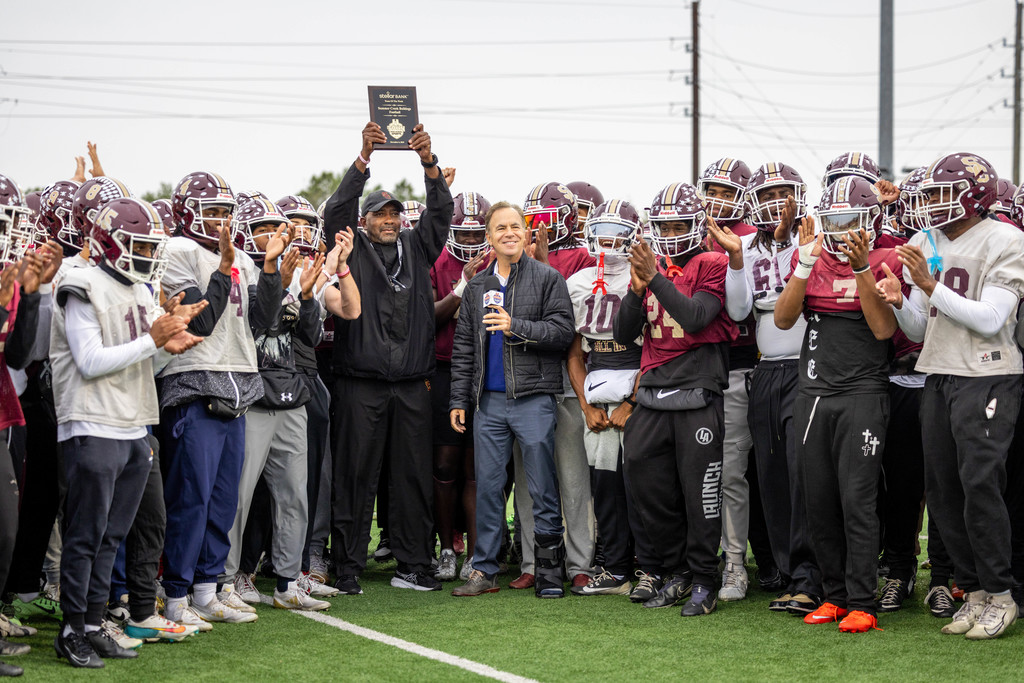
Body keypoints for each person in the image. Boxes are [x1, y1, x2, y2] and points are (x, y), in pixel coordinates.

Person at [50, 197, 205, 667]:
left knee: (112, 536)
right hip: (92, 421)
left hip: (134, 423)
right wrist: (152, 340)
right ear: (107, 241)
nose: (146, 254)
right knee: (86, 535)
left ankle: (94, 625)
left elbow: (141, 358)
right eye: (137, 244)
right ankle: (72, 629)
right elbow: (91, 361)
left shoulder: (140, 290)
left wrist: (166, 348)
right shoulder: (80, 283)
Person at [879, 153, 1024, 639]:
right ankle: (974, 590)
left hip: (987, 376)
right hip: (937, 374)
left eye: (944, 192)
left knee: (981, 485)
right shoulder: (925, 241)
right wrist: (901, 302)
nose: (933, 203)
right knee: (943, 490)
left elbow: (990, 319)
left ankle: (1002, 593)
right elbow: (923, 326)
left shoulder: (1006, 239)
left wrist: (927, 283)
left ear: (976, 193)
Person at [322, 120, 454, 595]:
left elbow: (442, 211)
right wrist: (363, 159)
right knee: (355, 477)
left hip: (413, 385)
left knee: (412, 479)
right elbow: (337, 208)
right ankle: (348, 567)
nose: (390, 220)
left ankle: (414, 565)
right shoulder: (350, 248)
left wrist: (428, 164)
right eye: (381, 214)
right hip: (360, 384)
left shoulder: (418, 249)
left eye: (396, 214)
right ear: (366, 220)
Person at [774, 176, 901, 634]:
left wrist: (863, 269)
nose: (843, 228)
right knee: (819, 501)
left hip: (862, 393)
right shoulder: (813, 258)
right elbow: (785, 319)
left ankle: (863, 599)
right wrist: (804, 265)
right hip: (813, 393)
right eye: (834, 220)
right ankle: (834, 595)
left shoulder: (885, 258)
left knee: (857, 499)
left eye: (851, 219)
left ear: (871, 220)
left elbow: (884, 330)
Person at [159, 171, 285, 628]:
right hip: (195, 382)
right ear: (187, 213)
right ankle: (175, 594)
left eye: (226, 213)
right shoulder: (176, 252)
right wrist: (222, 268)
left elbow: (266, 322)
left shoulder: (245, 262)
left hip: (238, 382)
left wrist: (268, 269)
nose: (220, 222)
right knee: (190, 497)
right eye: (211, 212)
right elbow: (200, 323)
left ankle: (208, 588)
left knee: (222, 499)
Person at [613, 183, 737, 617]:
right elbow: (622, 334)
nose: (669, 232)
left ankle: (705, 576)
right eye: (662, 224)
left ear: (695, 225)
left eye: (678, 223)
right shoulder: (652, 269)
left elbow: (698, 317)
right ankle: (676, 569)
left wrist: (656, 280)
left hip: (698, 389)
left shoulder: (712, 262)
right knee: (647, 485)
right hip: (652, 390)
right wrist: (634, 290)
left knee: (699, 494)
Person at [221, 196, 343, 612]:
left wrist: (307, 295)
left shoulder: (289, 270)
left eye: (275, 228)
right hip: (253, 397)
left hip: (290, 394)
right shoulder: (237, 269)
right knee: (239, 498)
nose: (270, 235)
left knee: (294, 495)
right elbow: (261, 317)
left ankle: (289, 581)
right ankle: (223, 582)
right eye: (259, 228)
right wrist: (273, 272)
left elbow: (307, 336)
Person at [449, 201, 575, 598]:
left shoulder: (548, 278)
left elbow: (562, 332)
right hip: (488, 402)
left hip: (534, 398)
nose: (508, 233)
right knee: (487, 487)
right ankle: (484, 570)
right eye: (499, 228)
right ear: (488, 237)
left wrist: (513, 325)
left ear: (525, 232)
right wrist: (458, 399)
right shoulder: (477, 286)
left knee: (541, 485)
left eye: (514, 227)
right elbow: (465, 347)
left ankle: (549, 570)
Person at [565, 199, 658, 598]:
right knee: (604, 485)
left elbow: (660, 348)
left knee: (643, 484)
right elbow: (573, 352)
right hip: (597, 388)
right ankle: (615, 566)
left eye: (619, 233)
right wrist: (586, 406)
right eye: (602, 230)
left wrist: (632, 402)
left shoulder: (649, 278)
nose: (608, 240)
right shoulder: (577, 282)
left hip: (639, 385)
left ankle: (652, 566)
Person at [511, 182, 595, 591]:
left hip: (566, 379)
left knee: (573, 477)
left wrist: (542, 270)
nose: (537, 228)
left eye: (545, 219)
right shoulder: (510, 257)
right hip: (527, 381)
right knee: (529, 481)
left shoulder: (584, 256)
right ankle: (532, 560)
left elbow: (570, 325)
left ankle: (580, 561)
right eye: (532, 221)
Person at [697, 157, 760, 602]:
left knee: (735, 473)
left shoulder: (755, 238)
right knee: (710, 472)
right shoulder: (688, 233)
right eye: (711, 190)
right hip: (702, 368)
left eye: (725, 191)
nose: (717, 199)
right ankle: (711, 557)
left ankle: (736, 562)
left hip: (745, 364)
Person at [431, 191, 491, 581]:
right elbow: (426, 321)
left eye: (475, 235)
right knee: (443, 465)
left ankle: (474, 552)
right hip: (442, 369)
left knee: (475, 469)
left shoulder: (500, 260)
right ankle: (446, 548)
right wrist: (462, 287)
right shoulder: (435, 263)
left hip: (483, 373)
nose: (470, 242)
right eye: (462, 234)